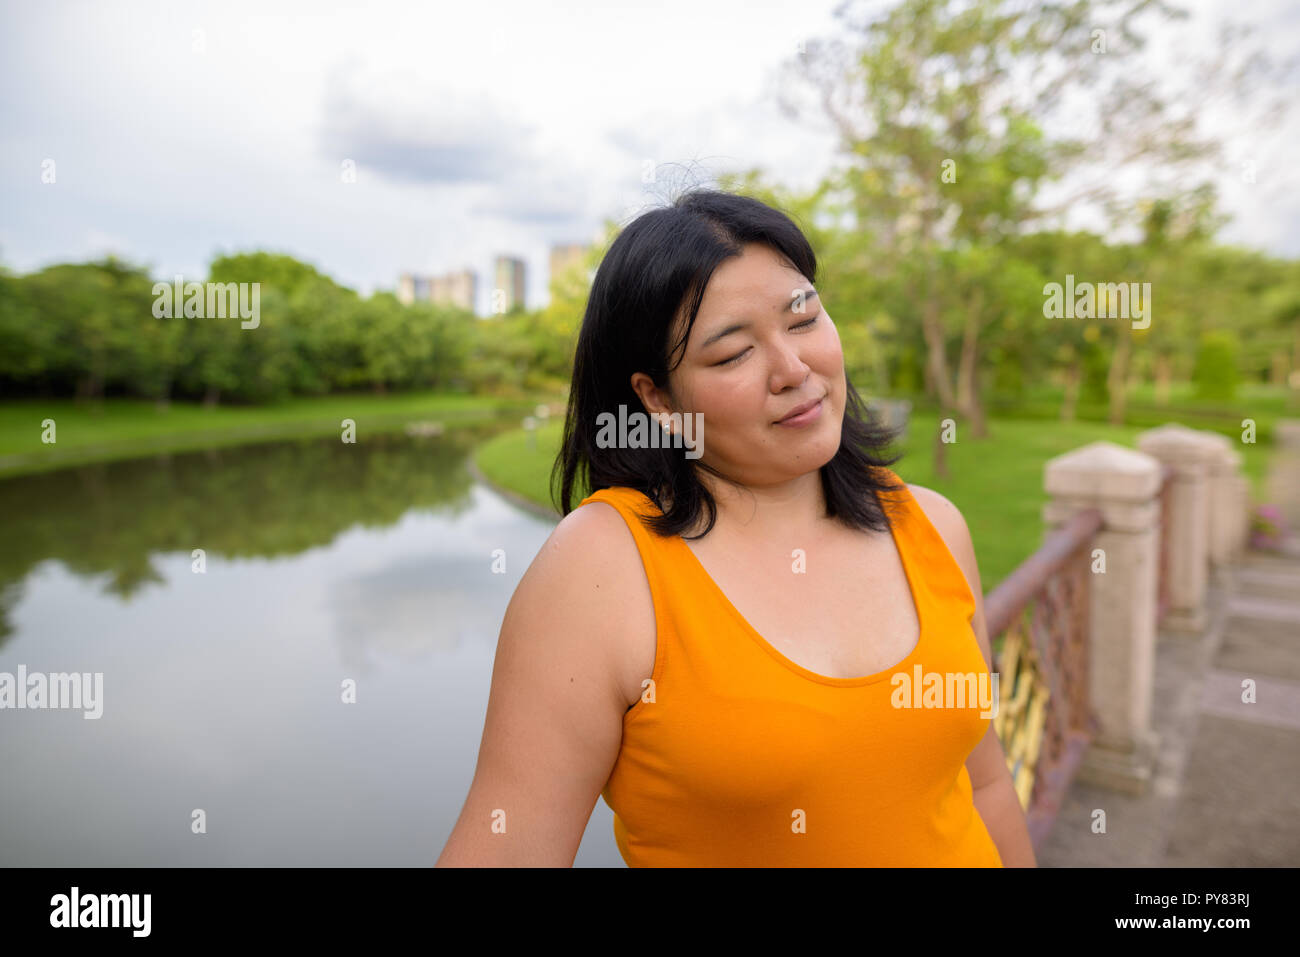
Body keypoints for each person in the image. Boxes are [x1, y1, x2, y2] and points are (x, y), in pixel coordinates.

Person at [436, 187, 1035, 867]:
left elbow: (983, 782)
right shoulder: (603, 570)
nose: (793, 369)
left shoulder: (931, 523)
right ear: (657, 398)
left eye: (803, 318)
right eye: (732, 355)